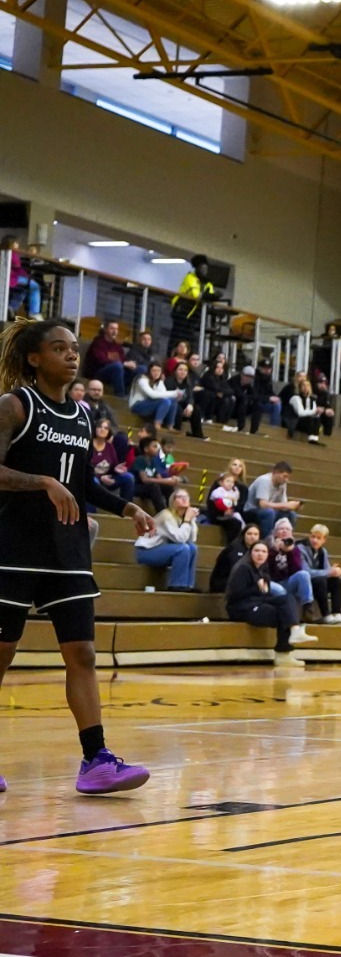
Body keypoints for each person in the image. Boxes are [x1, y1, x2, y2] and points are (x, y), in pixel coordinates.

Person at [0, 319, 154, 794]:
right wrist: (41, 482)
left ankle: (96, 760)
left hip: (66, 551)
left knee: (83, 654)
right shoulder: (14, 405)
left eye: (74, 348)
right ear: (33, 357)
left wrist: (125, 504)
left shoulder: (84, 415)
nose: (71, 355)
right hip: (12, 549)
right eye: (59, 348)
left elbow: (82, 482)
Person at [225, 541, 309, 655]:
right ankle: (283, 651)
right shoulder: (243, 568)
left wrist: (264, 591)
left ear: (267, 554)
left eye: (263, 551)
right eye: (257, 551)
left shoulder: (264, 572)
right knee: (283, 613)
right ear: (251, 553)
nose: (260, 554)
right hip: (242, 608)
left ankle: (295, 630)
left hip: (258, 603)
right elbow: (234, 595)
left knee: (288, 599)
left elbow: (264, 595)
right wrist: (256, 588)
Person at [134, 487, 201, 592]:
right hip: (146, 552)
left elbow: (192, 539)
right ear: (173, 501)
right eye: (180, 497)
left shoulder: (185, 517)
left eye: (186, 497)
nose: (184, 499)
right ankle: (177, 585)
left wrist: (191, 520)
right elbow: (179, 539)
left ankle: (188, 585)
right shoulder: (166, 515)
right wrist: (187, 521)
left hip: (164, 550)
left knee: (193, 548)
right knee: (183, 549)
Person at [299, 524, 341, 626]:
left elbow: (328, 571)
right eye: (313, 537)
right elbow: (305, 572)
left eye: (318, 538)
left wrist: (335, 572)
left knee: (337, 580)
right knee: (321, 580)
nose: (315, 540)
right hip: (305, 583)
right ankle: (326, 614)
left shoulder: (323, 551)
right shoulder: (301, 549)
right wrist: (329, 572)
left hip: (318, 584)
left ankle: (337, 613)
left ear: (324, 540)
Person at [86, 417, 135, 507]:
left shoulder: (109, 447)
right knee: (94, 481)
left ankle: (127, 509)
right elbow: (84, 469)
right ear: (95, 428)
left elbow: (112, 466)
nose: (102, 429)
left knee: (129, 477)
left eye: (106, 428)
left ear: (109, 432)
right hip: (92, 479)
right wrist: (100, 478)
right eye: (100, 426)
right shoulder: (87, 444)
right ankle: (91, 514)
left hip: (107, 479)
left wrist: (116, 469)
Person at [170, 254, 216, 349]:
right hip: (182, 311)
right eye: (201, 268)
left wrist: (210, 296)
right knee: (177, 337)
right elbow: (195, 295)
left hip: (195, 314)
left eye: (205, 269)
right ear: (196, 268)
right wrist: (206, 296)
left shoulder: (208, 283)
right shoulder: (190, 277)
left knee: (189, 339)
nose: (204, 271)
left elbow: (211, 295)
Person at [130, 435, 185, 514]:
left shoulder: (153, 461)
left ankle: (173, 511)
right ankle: (162, 513)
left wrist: (170, 480)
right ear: (146, 449)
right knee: (153, 486)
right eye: (154, 446)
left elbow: (159, 478)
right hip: (137, 487)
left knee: (167, 487)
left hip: (149, 488)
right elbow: (144, 480)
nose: (158, 449)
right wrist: (167, 481)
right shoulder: (140, 459)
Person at [244, 462, 300, 538]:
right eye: (284, 476)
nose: (286, 480)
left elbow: (283, 504)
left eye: (287, 477)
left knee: (291, 514)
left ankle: (286, 540)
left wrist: (293, 506)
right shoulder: (265, 481)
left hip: (269, 510)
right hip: (252, 510)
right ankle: (264, 541)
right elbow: (263, 504)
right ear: (275, 472)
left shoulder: (282, 483)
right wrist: (285, 505)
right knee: (270, 513)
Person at [84, 321, 131, 396]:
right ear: (105, 330)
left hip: (115, 373)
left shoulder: (117, 346)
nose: (114, 331)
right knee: (117, 366)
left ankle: (132, 398)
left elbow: (123, 359)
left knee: (139, 370)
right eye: (112, 328)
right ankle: (121, 396)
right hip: (97, 373)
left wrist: (130, 364)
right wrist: (122, 363)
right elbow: (101, 360)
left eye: (116, 329)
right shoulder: (98, 342)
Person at [128, 361, 178, 431]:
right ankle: (157, 423)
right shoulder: (142, 379)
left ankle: (170, 425)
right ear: (149, 371)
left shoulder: (160, 382)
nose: (156, 373)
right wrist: (174, 393)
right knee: (165, 401)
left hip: (151, 405)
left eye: (158, 371)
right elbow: (152, 394)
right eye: (154, 370)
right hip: (137, 405)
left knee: (172, 401)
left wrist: (174, 395)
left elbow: (164, 395)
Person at [287, 375, 333, 443]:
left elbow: (315, 414)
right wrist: (315, 411)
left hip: (307, 424)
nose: (306, 388)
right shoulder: (295, 398)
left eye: (308, 386)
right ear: (299, 388)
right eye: (303, 385)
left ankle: (314, 439)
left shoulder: (312, 399)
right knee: (309, 418)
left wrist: (320, 411)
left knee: (317, 418)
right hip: (296, 422)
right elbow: (300, 413)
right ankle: (312, 438)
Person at [205, 470, 245, 543]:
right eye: (228, 481)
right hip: (218, 513)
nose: (230, 484)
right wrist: (227, 497)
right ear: (221, 483)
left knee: (238, 516)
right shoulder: (219, 490)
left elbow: (236, 500)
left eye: (232, 482)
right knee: (234, 522)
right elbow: (214, 496)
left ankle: (244, 530)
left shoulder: (233, 491)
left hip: (230, 511)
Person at [228, 365, 264, 433]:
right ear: (242, 374)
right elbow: (240, 395)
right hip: (231, 408)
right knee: (243, 400)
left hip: (241, 409)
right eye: (247, 376)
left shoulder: (248, 385)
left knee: (257, 405)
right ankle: (241, 427)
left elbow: (255, 396)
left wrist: (249, 397)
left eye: (251, 377)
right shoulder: (233, 381)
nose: (248, 379)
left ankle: (254, 430)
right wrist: (248, 397)